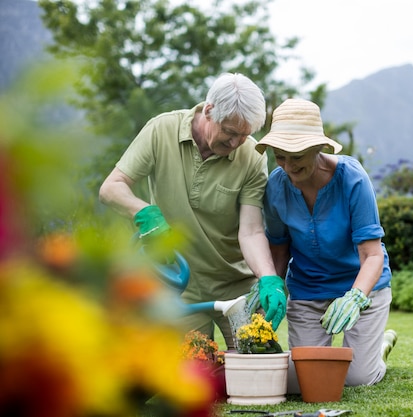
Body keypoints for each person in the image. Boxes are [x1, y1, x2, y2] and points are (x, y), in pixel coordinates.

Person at [99, 73, 287, 349]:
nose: (236, 143)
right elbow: (111, 188)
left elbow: (252, 230)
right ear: (209, 110)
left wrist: (268, 277)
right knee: (193, 376)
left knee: (256, 361)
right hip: (178, 286)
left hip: (235, 286)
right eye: (230, 132)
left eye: (244, 135)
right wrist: (144, 212)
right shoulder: (161, 130)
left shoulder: (252, 155)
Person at [254, 98, 398, 388]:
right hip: (309, 290)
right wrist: (270, 287)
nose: (288, 166)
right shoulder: (276, 186)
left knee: (357, 379)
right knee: (304, 380)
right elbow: (279, 248)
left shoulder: (352, 180)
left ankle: (378, 349)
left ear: (318, 148)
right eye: (280, 156)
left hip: (361, 288)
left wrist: (356, 298)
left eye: (296, 156)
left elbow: (371, 255)